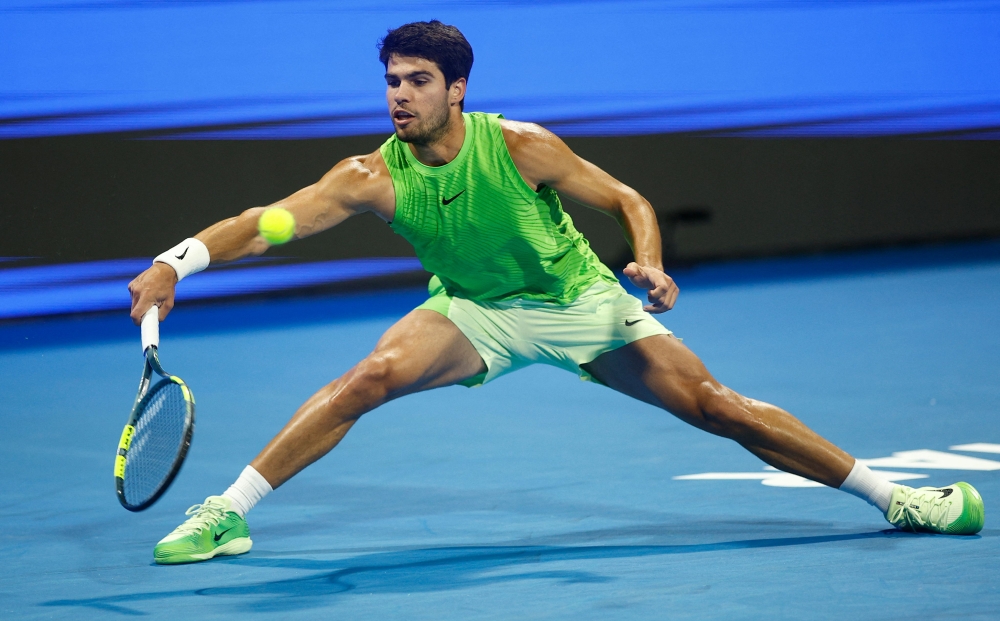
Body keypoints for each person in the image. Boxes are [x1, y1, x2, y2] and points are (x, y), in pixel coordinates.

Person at [129, 21, 983, 565]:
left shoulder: (523, 145)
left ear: (455, 89)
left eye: (416, 81)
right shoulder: (367, 177)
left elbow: (626, 201)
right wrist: (178, 260)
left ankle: (899, 500)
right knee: (368, 378)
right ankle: (229, 513)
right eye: (391, 80)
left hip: (580, 302)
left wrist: (645, 259)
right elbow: (268, 222)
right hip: (475, 311)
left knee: (718, 407)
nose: (399, 95)